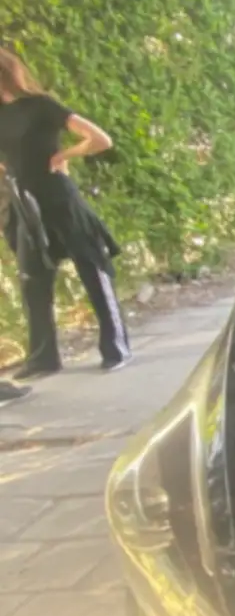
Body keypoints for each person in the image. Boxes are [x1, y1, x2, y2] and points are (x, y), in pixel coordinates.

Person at [0, 47, 130, 376]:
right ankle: (43, 358)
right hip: (26, 206)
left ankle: (116, 347)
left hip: (60, 198)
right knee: (33, 281)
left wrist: (64, 156)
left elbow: (100, 139)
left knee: (92, 268)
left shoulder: (41, 105)